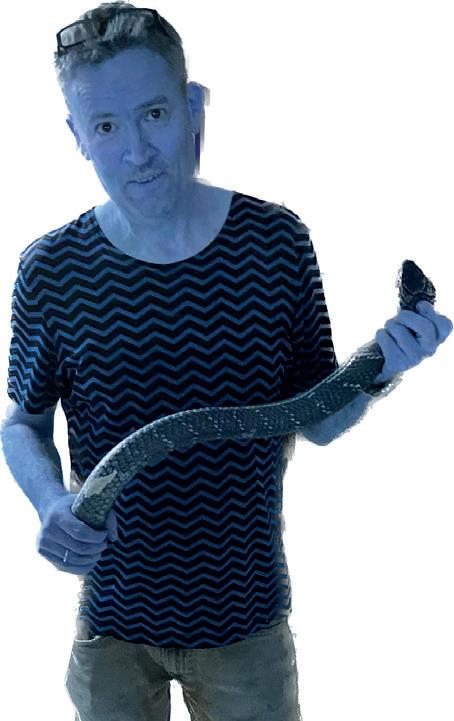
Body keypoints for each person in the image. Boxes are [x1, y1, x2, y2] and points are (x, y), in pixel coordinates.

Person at [2, 3, 452, 721]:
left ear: (192, 107)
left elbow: (317, 418)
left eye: (153, 114)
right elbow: (22, 422)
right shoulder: (51, 270)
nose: (137, 152)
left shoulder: (275, 244)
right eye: (106, 127)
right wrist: (49, 501)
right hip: (111, 627)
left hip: (248, 628)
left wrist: (383, 365)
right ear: (77, 136)